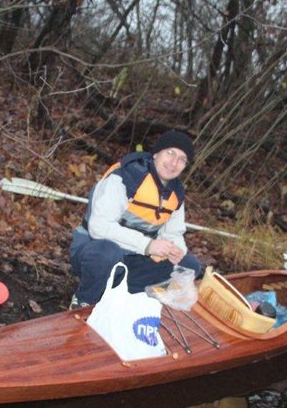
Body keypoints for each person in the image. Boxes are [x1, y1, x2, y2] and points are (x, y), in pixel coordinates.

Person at [69, 129, 202, 308]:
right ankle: (85, 300)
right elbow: (98, 227)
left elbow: (174, 233)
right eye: (170, 153)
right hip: (95, 251)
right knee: (107, 253)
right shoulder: (125, 177)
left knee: (189, 265)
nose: (174, 163)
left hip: (134, 258)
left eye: (182, 159)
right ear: (156, 153)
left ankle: (129, 298)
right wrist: (147, 245)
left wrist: (176, 250)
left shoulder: (175, 193)